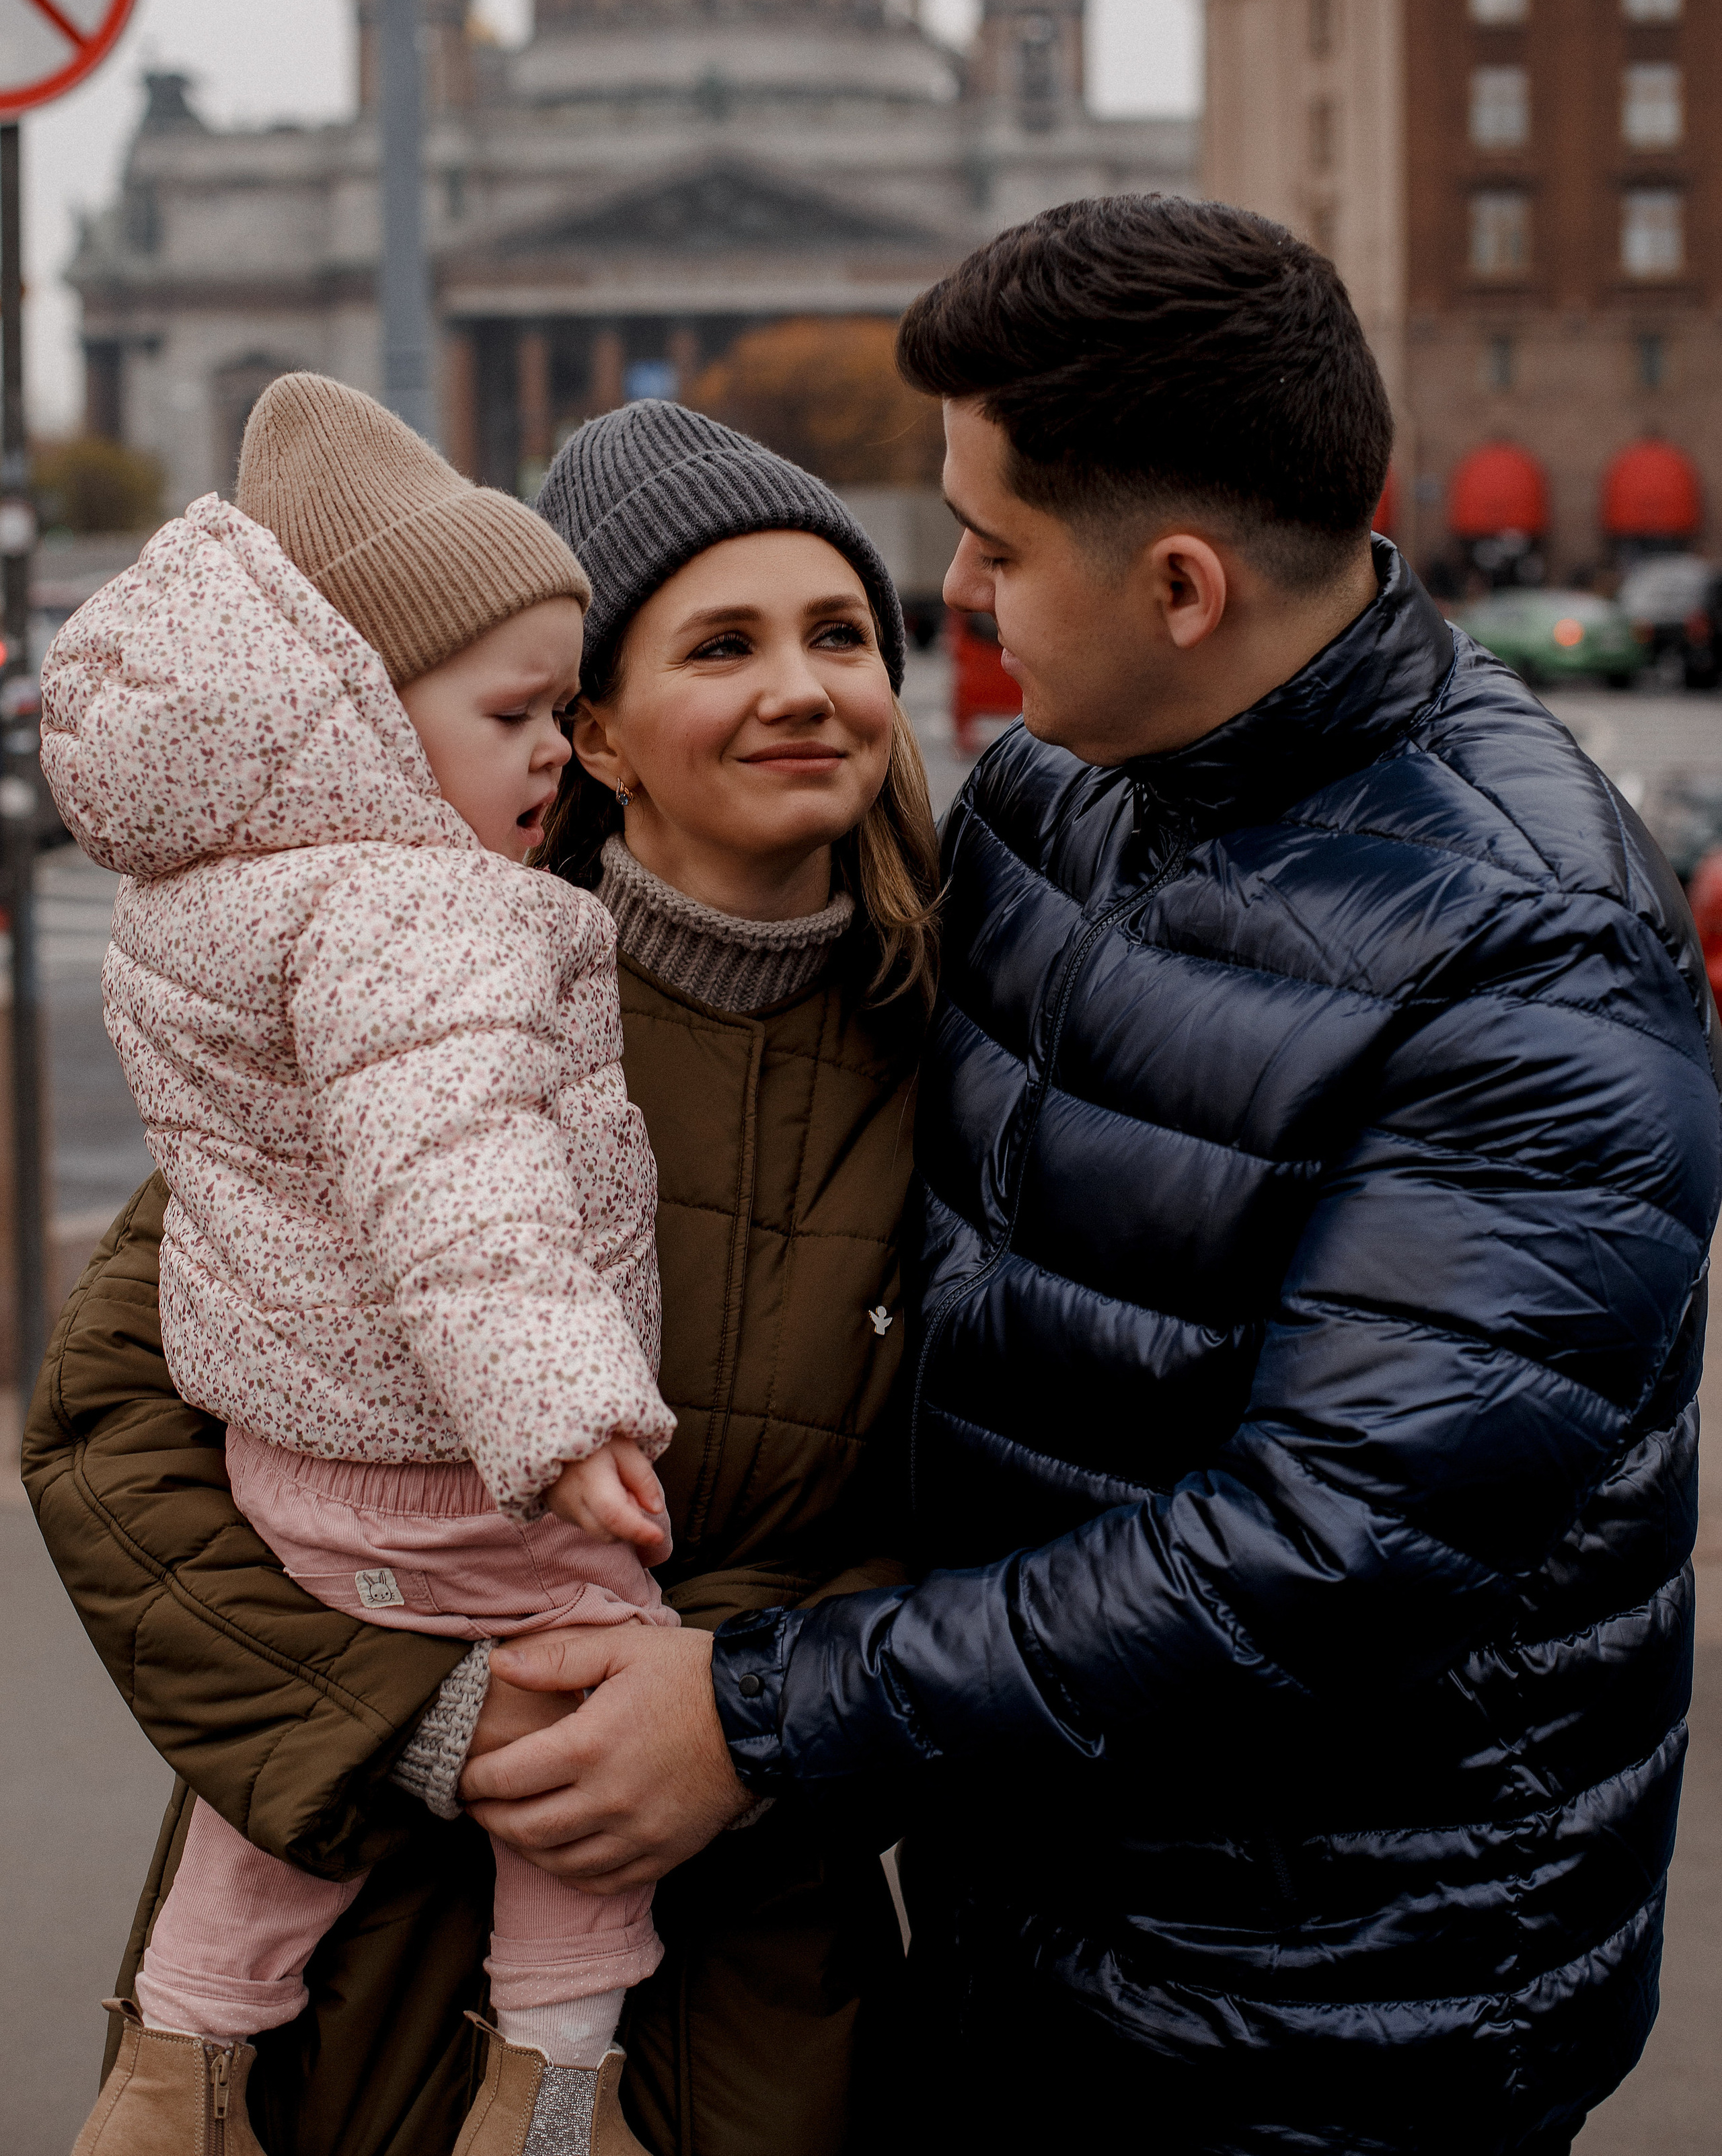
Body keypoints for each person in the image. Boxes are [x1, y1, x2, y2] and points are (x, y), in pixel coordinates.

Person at [459, 199, 1721, 2156]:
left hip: (1334, 2020)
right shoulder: (1065, 781)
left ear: (1183, 587)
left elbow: (1328, 1553)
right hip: (1032, 1914)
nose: (955, 590)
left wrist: (756, 1711)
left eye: (996, 544)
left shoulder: (1531, 959)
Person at [25, 398, 936, 2156]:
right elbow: (110, 1448)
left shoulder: (970, 1046)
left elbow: (1020, 1515)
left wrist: (747, 1722)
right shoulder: (397, 1008)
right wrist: (429, 1716)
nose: (802, 688)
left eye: (842, 633)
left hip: (760, 1986)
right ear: (592, 729)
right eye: (722, 645)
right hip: (359, 1966)